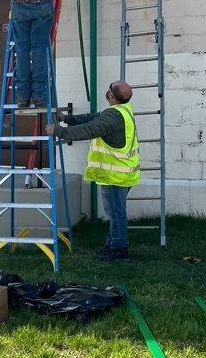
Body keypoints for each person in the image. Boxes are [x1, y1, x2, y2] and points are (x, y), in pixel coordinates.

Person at [43, 79, 140, 260]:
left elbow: (88, 129)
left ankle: (119, 248)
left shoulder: (112, 117)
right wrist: (67, 119)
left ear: (112, 94)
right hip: (123, 173)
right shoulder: (122, 110)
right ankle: (112, 244)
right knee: (115, 212)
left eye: (110, 86)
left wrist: (57, 131)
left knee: (115, 213)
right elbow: (92, 118)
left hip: (116, 176)